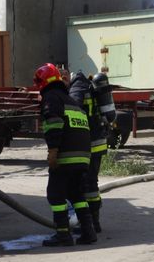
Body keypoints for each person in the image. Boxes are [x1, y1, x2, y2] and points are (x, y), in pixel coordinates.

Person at [34, 63, 97, 247]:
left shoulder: (51, 97)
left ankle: (63, 235)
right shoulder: (70, 100)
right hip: (83, 157)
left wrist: (53, 152)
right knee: (76, 194)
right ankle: (88, 232)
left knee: (55, 194)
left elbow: (54, 124)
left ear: (44, 80)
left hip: (66, 156)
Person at [69, 71, 114, 233]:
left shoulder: (77, 88)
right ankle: (95, 222)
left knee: (82, 186)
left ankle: (86, 223)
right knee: (92, 184)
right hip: (99, 143)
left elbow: (72, 110)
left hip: (87, 144)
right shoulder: (90, 86)